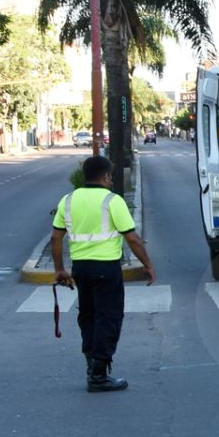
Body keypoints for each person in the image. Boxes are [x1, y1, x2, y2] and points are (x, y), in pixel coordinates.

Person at [51, 155, 155, 392]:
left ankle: (92, 366)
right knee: (108, 318)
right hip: (106, 269)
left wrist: (59, 269)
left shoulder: (68, 200)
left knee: (88, 316)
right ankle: (99, 376)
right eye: (110, 177)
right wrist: (148, 264)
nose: (110, 181)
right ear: (106, 176)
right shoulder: (112, 201)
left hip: (81, 269)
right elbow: (132, 238)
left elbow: (55, 238)